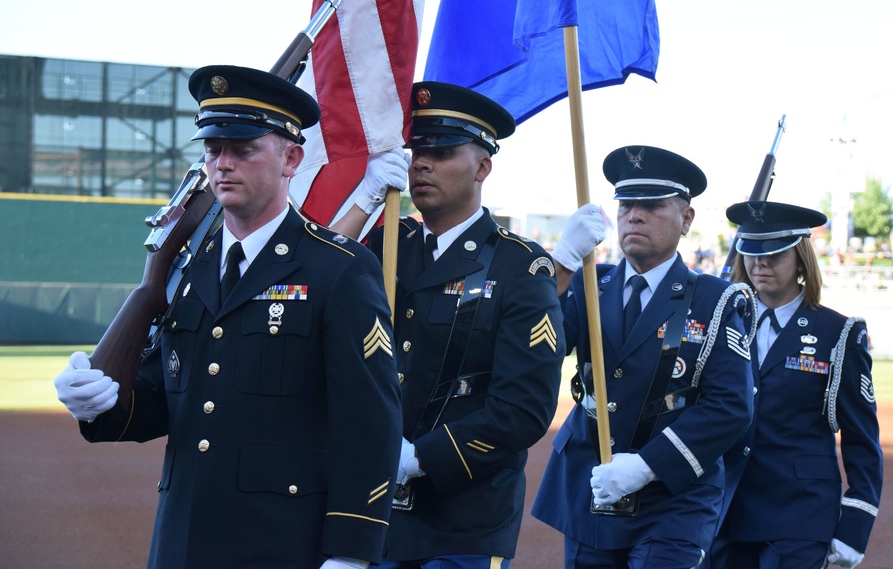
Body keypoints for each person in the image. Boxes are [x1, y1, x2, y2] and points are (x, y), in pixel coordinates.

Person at [54, 65, 402, 569]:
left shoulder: (339, 270)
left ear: (292, 159)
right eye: (213, 149)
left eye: (243, 149)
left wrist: (351, 553)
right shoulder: (188, 269)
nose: (222, 164)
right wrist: (99, 402)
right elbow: (166, 398)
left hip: (282, 546)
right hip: (182, 541)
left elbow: (371, 424)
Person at [343, 82, 566, 569]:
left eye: (441, 152)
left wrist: (421, 458)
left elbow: (523, 408)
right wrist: (364, 198)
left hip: (462, 521)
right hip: (372, 513)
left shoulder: (519, 268)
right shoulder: (386, 246)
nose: (420, 163)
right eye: (416, 150)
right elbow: (310, 282)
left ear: (482, 167)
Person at [531, 145, 755, 569]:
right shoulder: (588, 287)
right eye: (626, 205)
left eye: (652, 205)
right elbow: (539, 351)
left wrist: (649, 465)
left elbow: (731, 406)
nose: (634, 215)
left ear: (686, 219)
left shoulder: (715, 301)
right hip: (593, 488)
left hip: (672, 498)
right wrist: (559, 267)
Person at [710, 201, 883, 569]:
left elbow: (861, 438)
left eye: (774, 254)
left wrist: (856, 523)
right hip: (727, 508)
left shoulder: (838, 333)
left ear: (801, 258)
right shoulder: (725, 324)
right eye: (752, 254)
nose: (760, 264)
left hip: (799, 513)